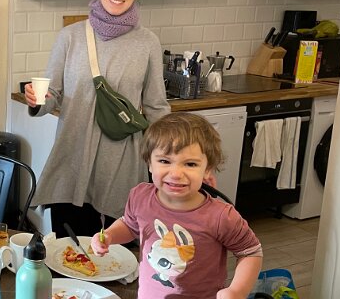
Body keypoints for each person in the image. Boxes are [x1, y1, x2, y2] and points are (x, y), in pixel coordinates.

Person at [25, 0, 170, 237]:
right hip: (72, 154)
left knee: (114, 250)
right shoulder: (70, 36)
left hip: (121, 160)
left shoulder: (148, 42)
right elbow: (53, 94)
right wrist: (37, 100)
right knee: (68, 249)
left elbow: (156, 106)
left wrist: (170, 157)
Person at [90, 113, 262, 298]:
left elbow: (250, 252)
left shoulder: (221, 216)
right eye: (164, 161)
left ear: (207, 169)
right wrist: (110, 236)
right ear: (149, 163)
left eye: (190, 164)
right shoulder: (140, 196)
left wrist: (237, 291)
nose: (176, 174)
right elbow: (130, 225)